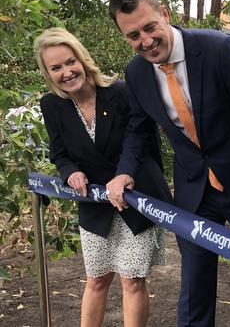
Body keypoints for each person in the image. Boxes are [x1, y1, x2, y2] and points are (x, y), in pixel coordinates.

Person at [104, 0, 230, 327]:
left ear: (164, 15)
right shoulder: (136, 73)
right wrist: (123, 171)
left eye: (150, 27)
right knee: (194, 294)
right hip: (194, 193)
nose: (146, 41)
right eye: (133, 35)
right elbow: (138, 130)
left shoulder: (220, 49)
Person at [36, 27, 171, 327]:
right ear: (47, 72)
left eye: (70, 62)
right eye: (56, 67)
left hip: (135, 197)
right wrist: (70, 172)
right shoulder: (52, 105)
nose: (67, 72)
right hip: (95, 203)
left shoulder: (120, 92)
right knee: (96, 280)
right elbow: (59, 152)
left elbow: (145, 143)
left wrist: (125, 175)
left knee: (132, 282)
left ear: (82, 59)